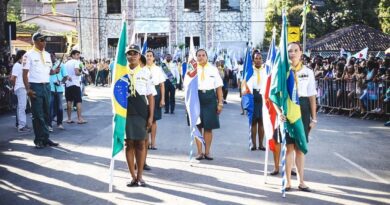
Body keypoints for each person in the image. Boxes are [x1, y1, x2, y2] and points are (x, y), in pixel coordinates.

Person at [274, 42, 317, 192]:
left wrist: (314, 118)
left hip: (303, 109)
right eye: (289, 51)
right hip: (287, 110)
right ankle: (287, 181)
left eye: (295, 51)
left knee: (300, 148)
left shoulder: (308, 72)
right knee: (288, 147)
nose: (292, 53)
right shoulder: (282, 72)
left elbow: (312, 96)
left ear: (301, 53)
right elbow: (274, 95)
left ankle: (301, 181)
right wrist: (279, 113)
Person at [124, 44, 156, 187]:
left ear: (139, 56)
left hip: (141, 110)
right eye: (129, 53)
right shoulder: (120, 72)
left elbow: (150, 96)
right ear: (126, 56)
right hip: (125, 110)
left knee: (141, 144)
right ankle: (132, 176)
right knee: (128, 144)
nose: (132, 56)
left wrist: (150, 117)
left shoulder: (146, 72)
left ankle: (140, 176)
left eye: (135, 53)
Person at [22, 32, 60, 148]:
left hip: (47, 86)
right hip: (35, 86)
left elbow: (49, 72)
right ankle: (38, 139)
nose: (44, 42)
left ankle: (46, 138)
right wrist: (28, 89)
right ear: (35, 41)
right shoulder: (28, 55)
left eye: (45, 40)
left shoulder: (47, 54)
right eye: (41, 40)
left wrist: (54, 71)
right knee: (37, 114)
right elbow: (24, 74)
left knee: (46, 113)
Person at [194, 49, 224, 160]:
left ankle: (207, 152)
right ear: (196, 57)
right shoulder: (192, 69)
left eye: (203, 55)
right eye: (199, 55)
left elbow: (219, 87)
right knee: (197, 126)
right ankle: (199, 152)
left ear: (207, 57)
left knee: (208, 127)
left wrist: (220, 103)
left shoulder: (213, 69)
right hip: (196, 99)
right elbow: (187, 87)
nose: (201, 57)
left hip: (210, 99)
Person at [10, 50, 31, 132]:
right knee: (22, 107)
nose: (26, 58)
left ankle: (20, 124)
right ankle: (21, 126)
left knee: (20, 107)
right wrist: (15, 87)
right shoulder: (17, 65)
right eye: (25, 56)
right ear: (21, 56)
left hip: (22, 88)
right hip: (20, 88)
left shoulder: (22, 65)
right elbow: (12, 78)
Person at [64, 50, 87, 124]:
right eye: (77, 54)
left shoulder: (66, 63)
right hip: (75, 84)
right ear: (73, 55)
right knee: (78, 101)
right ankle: (80, 119)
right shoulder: (76, 62)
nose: (78, 56)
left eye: (79, 54)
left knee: (69, 101)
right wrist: (81, 72)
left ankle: (69, 118)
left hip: (68, 84)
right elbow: (77, 73)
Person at [49, 52, 68, 130]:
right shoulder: (46, 65)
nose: (50, 58)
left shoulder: (62, 65)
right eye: (49, 57)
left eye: (51, 56)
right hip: (49, 88)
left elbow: (65, 76)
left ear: (54, 56)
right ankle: (49, 124)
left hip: (59, 89)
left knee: (59, 107)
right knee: (50, 107)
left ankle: (59, 123)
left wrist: (60, 82)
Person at [250, 51, 266, 151]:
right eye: (256, 58)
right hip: (253, 95)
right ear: (253, 60)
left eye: (260, 58)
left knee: (262, 122)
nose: (258, 60)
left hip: (263, 96)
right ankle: (253, 144)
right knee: (253, 122)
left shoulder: (265, 70)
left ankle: (261, 144)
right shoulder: (250, 70)